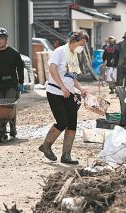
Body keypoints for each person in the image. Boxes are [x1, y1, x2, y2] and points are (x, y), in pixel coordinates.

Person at [38, 30, 88, 165]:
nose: (82, 48)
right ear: (73, 41)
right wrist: (62, 87)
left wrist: (81, 89)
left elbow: (71, 76)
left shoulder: (73, 56)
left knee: (72, 123)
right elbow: (52, 70)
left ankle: (66, 155)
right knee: (62, 121)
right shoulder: (60, 51)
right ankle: (46, 145)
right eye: (81, 44)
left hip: (69, 93)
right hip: (55, 92)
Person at [0, 27, 24, 139]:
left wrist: (21, 83)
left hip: (11, 84)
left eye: (1, 38)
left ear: (6, 39)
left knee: (9, 107)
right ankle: (0, 129)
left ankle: (12, 127)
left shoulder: (14, 53)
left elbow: (20, 68)